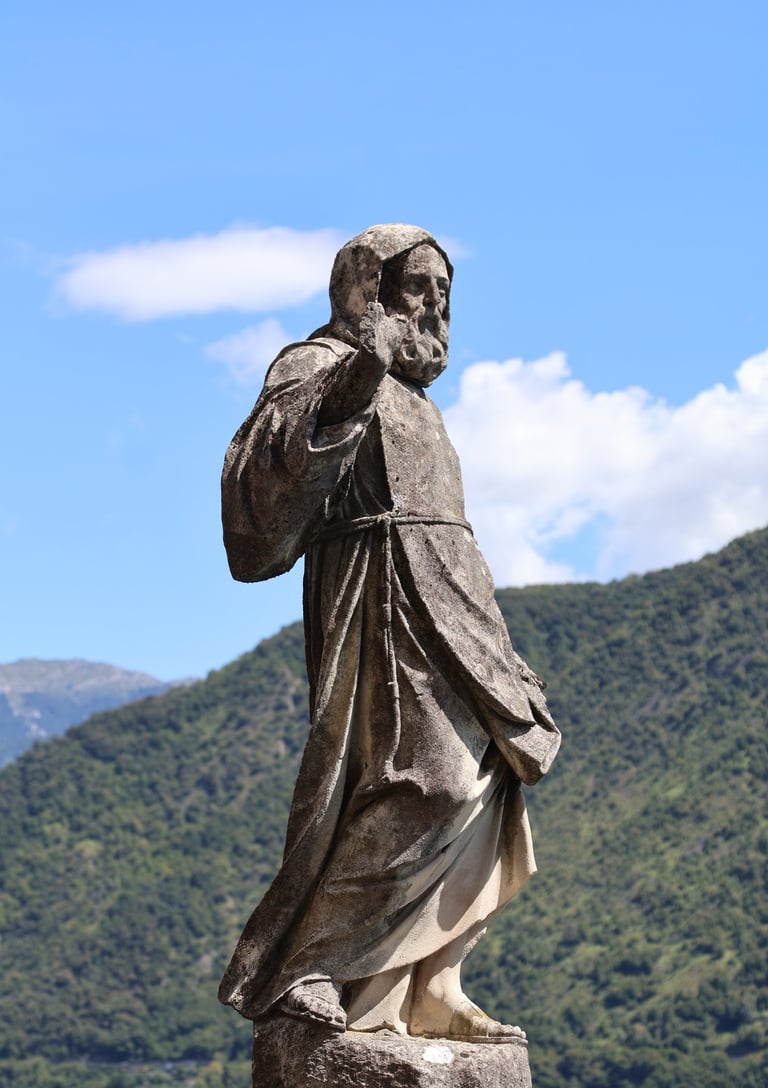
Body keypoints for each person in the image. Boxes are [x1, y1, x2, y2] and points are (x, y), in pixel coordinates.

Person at [218, 224, 561, 1042]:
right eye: (417, 288)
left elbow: (449, 535)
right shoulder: (316, 364)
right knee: (423, 782)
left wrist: (499, 649)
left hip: (459, 613)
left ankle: (433, 981)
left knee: (488, 776)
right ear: (368, 287)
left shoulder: (422, 405)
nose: (434, 307)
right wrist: (355, 377)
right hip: (382, 604)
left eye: (445, 294)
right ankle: (311, 965)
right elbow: (264, 483)